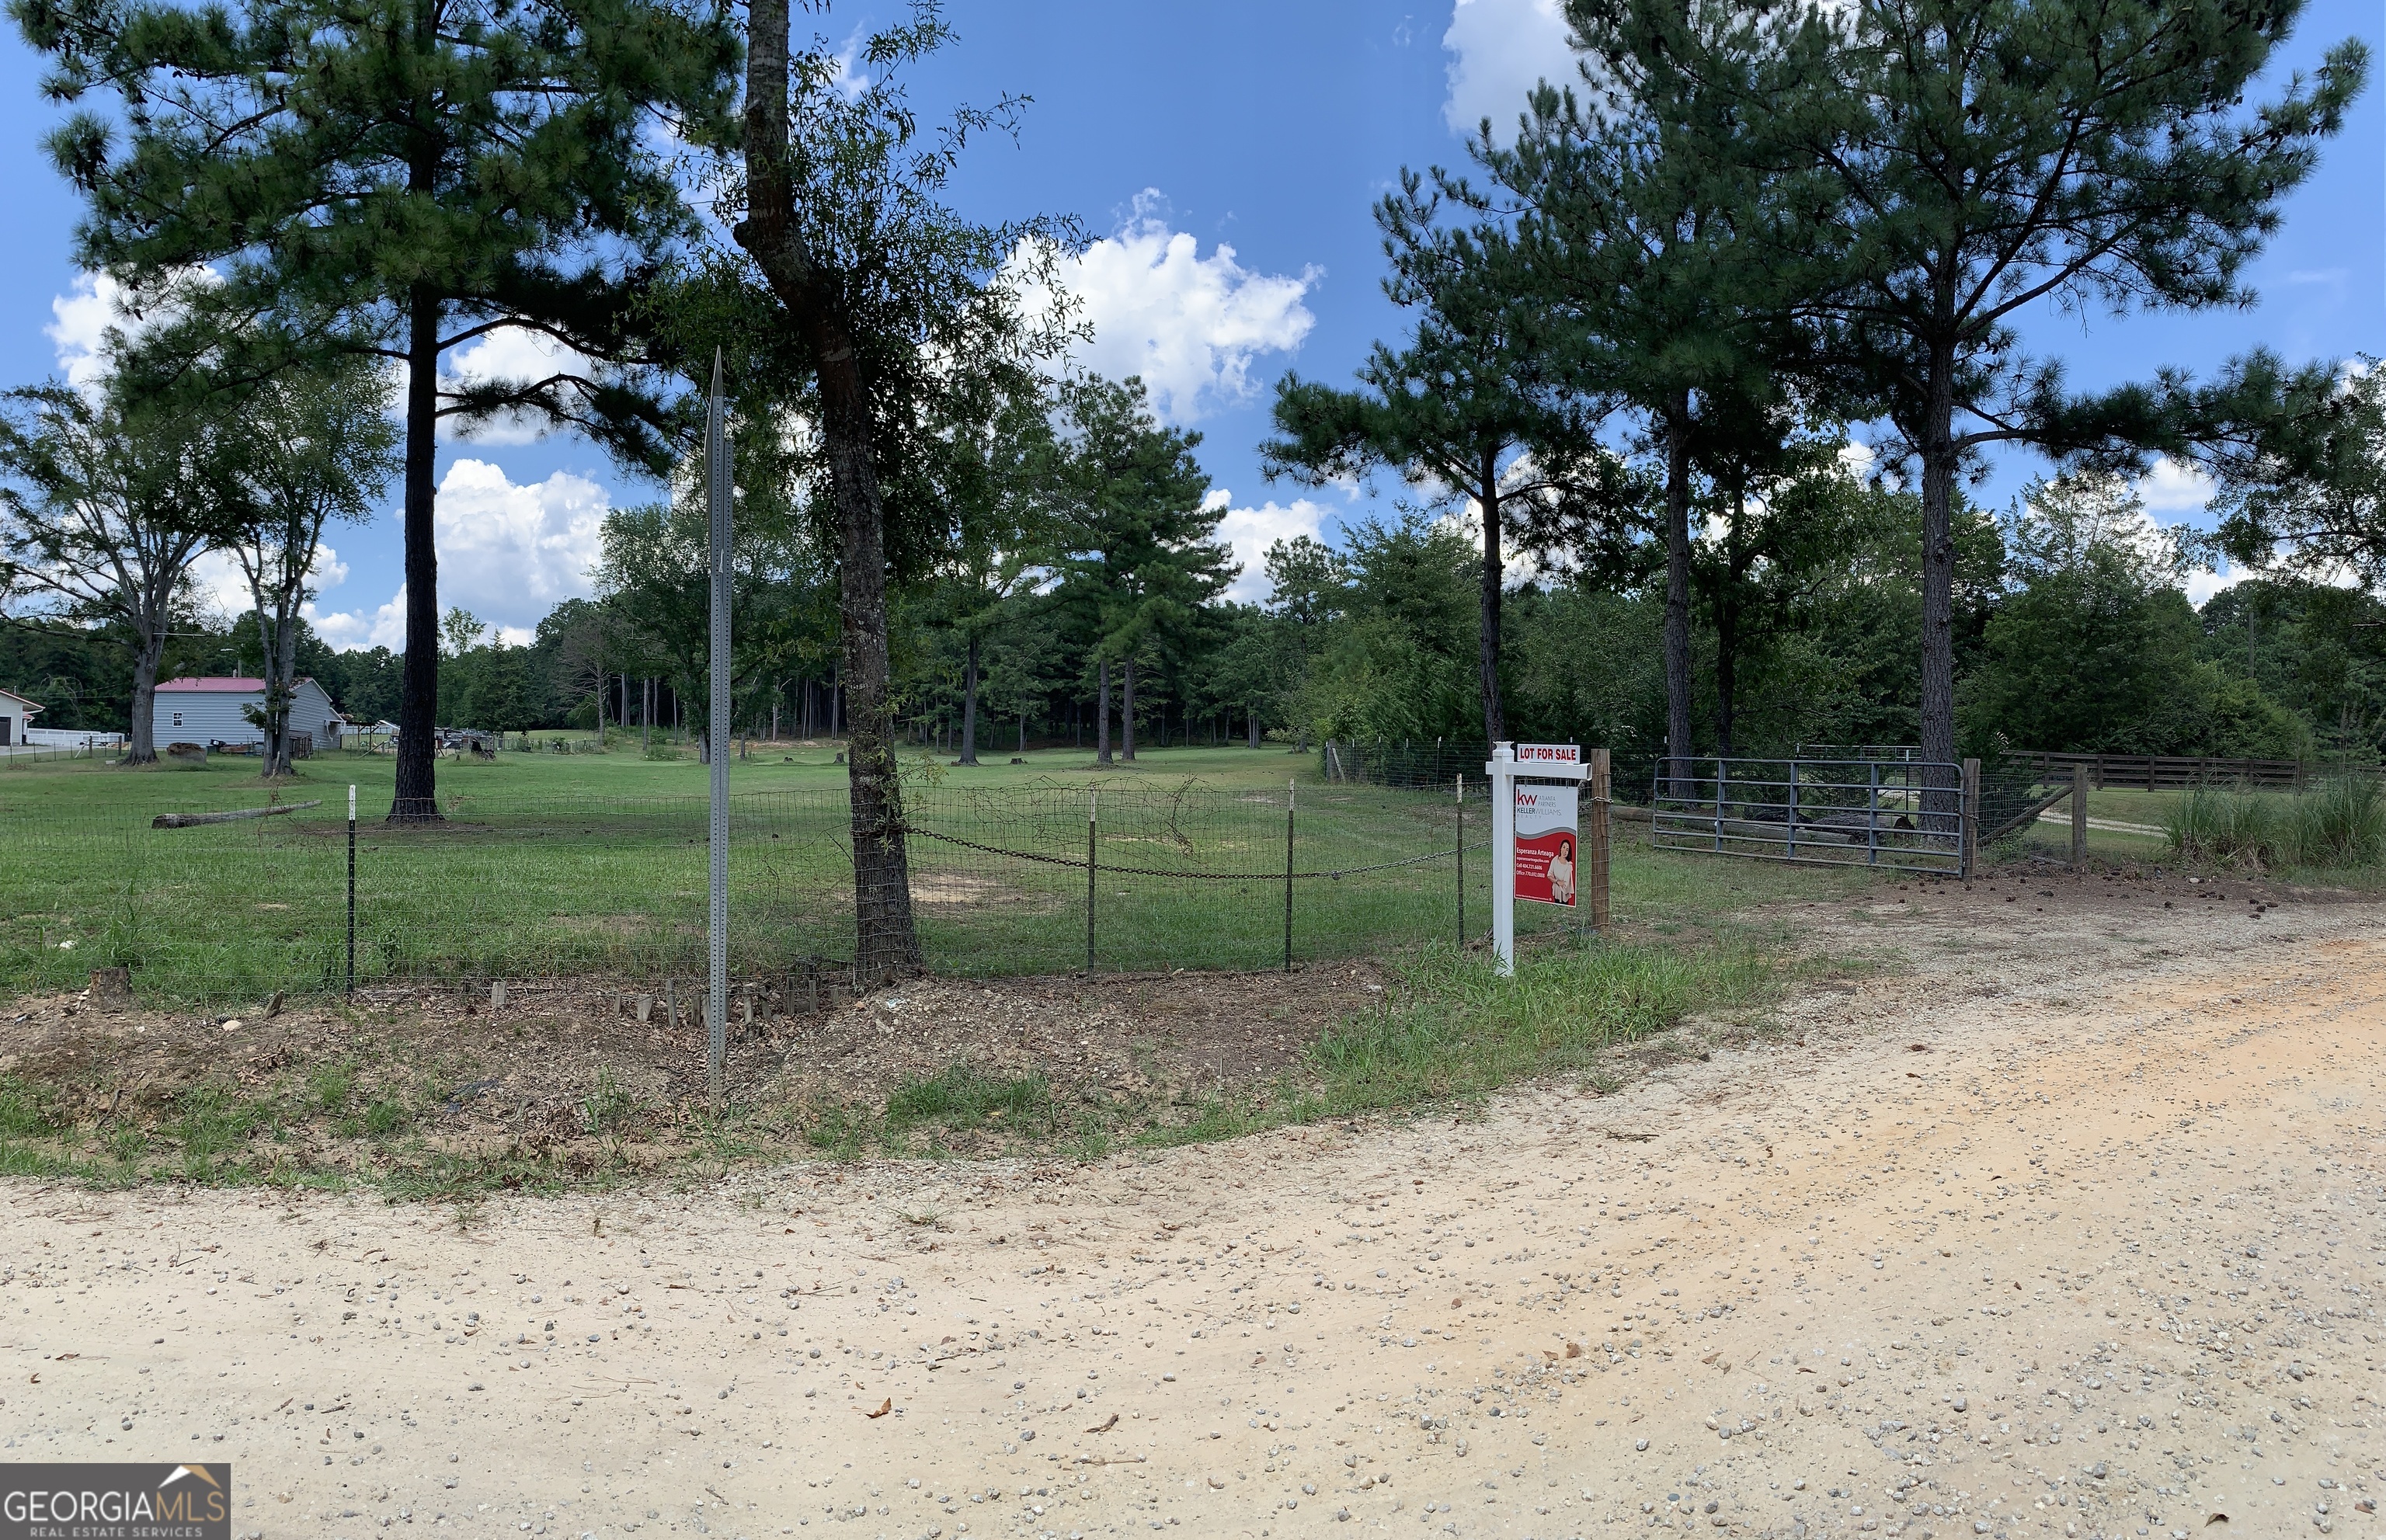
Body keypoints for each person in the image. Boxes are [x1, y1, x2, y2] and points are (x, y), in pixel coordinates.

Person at [1548, 835, 1576, 906]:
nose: (1565, 851)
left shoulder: (1569, 865)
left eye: (1567, 849)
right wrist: (1557, 881)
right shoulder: (1555, 860)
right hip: (1556, 892)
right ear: (1560, 848)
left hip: (1564, 894)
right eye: (1564, 847)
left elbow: (1565, 884)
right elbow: (1549, 875)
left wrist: (1555, 880)